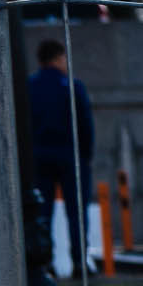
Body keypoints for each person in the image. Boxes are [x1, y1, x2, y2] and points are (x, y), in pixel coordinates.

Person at [28, 38, 96, 266]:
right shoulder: (73, 86)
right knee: (77, 212)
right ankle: (79, 261)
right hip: (71, 156)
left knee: (42, 213)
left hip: (40, 156)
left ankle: (45, 262)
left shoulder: (30, 86)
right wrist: (85, 155)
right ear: (58, 58)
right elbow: (85, 125)